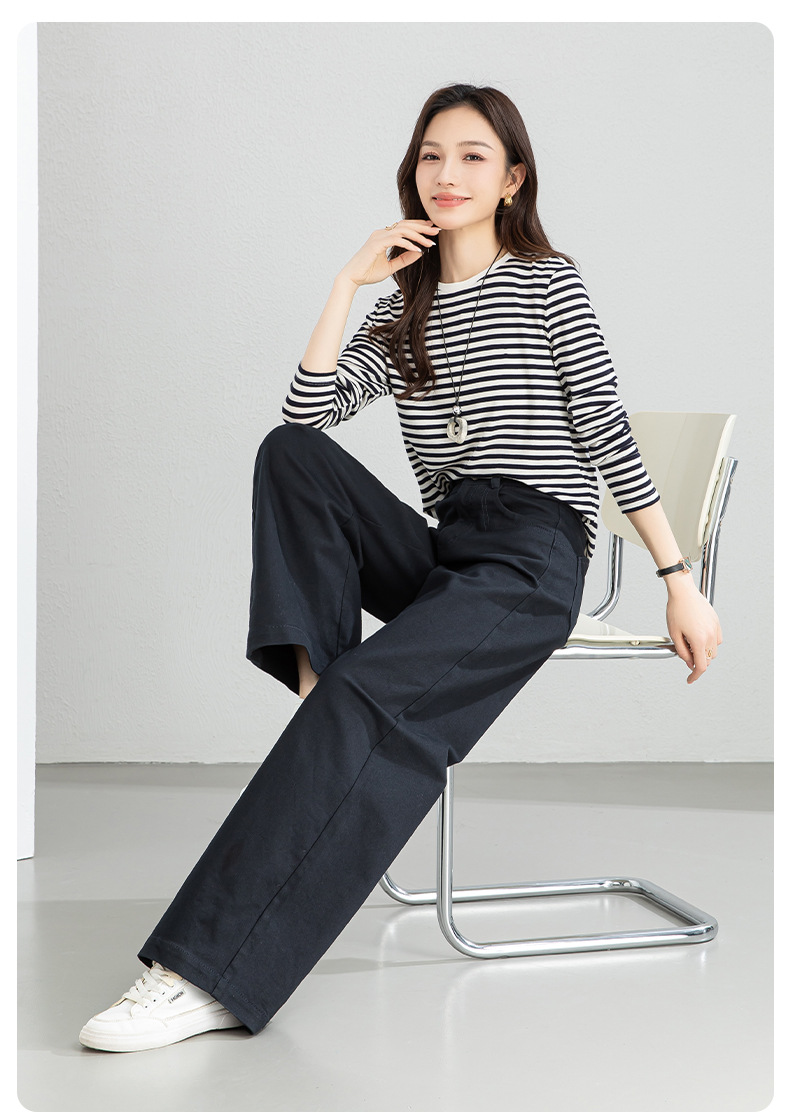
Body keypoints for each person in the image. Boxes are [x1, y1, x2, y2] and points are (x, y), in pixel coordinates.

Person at [79, 83, 722, 1053]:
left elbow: (602, 427)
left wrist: (678, 578)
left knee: (366, 703)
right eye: (431, 155)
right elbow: (306, 417)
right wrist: (347, 285)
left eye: (471, 156)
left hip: (534, 556)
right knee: (289, 456)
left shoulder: (546, 280)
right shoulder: (403, 312)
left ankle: (201, 975)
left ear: (512, 179)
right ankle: (325, 687)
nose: (446, 174)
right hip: (450, 546)